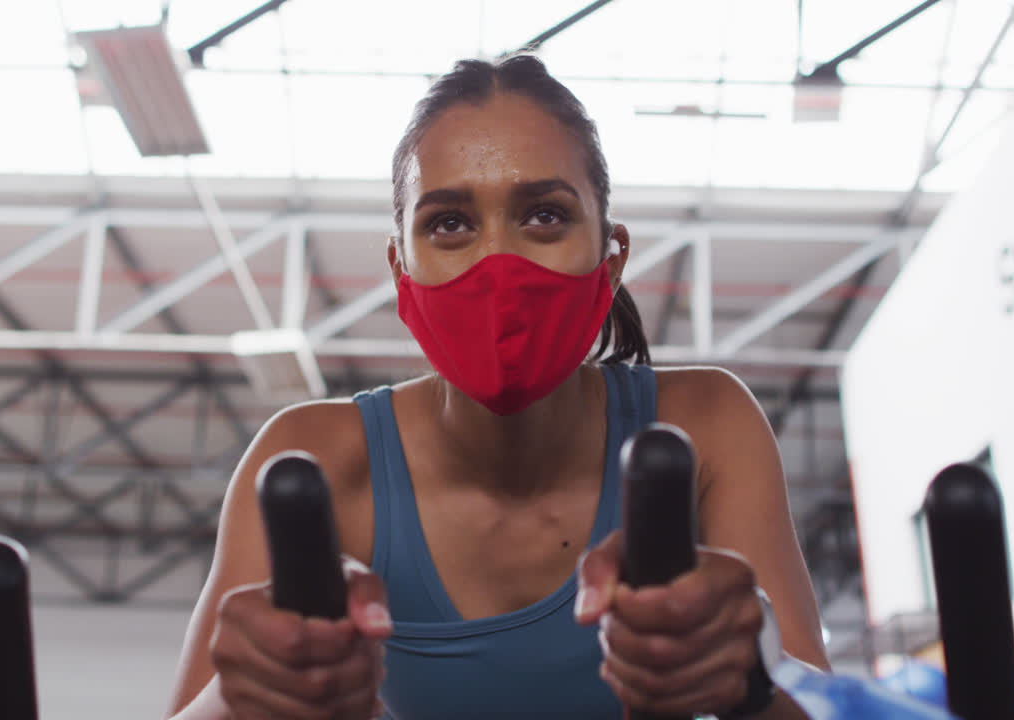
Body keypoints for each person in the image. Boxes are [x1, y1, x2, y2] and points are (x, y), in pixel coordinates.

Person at [165, 55, 831, 720]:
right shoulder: (315, 458)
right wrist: (241, 693)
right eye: (450, 224)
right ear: (401, 267)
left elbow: (824, 703)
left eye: (544, 216)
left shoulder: (707, 425)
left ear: (612, 255)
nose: (498, 265)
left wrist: (749, 672)